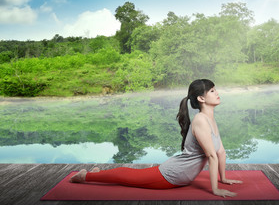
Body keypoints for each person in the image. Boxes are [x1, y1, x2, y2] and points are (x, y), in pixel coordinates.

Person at [70, 79, 242, 198]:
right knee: (128, 178)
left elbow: (220, 152)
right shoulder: (201, 121)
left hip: (180, 175)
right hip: (171, 175)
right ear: (201, 98)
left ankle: (100, 174)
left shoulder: (210, 118)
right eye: (212, 91)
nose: (217, 93)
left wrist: (223, 178)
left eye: (215, 89)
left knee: (131, 177)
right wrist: (216, 190)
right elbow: (211, 156)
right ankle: (85, 177)